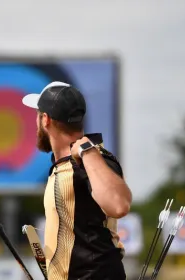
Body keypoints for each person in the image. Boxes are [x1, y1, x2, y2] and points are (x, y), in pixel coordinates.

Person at [22, 81, 132, 280]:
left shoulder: (93, 160)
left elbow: (119, 205)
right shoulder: (64, 166)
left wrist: (88, 151)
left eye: (38, 116)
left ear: (45, 119)